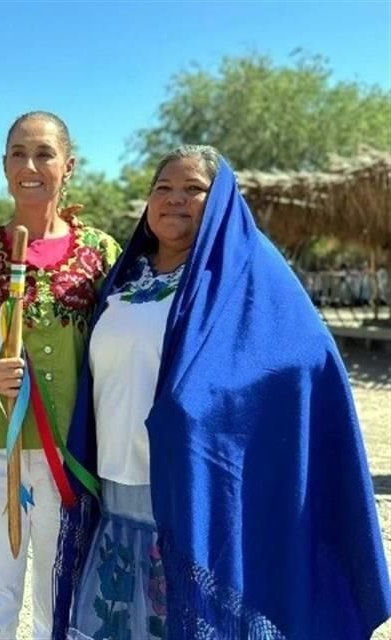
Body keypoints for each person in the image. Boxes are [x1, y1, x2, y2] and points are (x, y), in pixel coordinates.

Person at [52, 145, 391, 640]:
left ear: (222, 200)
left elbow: (306, 357)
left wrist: (200, 407)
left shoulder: (245, 271)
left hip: (193, 485)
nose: (175, 199)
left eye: (194, 189)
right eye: (162, 188)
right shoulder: (126, 277)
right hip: (117, 485)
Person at [0, 112, 119, 639]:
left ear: (67, 166)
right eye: (18, 153)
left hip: (72, 451)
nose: (30, 165)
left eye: (44, 153)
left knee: (62, 590)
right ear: (3, 166)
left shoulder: (101, 253)